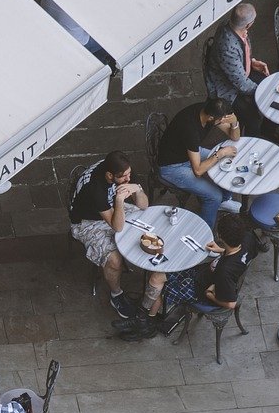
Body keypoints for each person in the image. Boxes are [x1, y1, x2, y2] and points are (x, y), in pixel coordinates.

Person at [68, 151, 149, 320]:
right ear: (110, 175)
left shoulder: (123, 170)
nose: (128, 179)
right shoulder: (95, 188)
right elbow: (117, 226)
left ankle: (150, 272)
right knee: (114, 260)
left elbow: (143, 206)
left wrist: (137, 188)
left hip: (109, 206)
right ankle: (116, 295)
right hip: (87, 222)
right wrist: (119, 200)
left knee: (147, 219)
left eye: (129, 175)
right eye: (123, 177)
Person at [145, 213, 254, 328]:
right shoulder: (248, 239)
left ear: (220, 236)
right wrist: (221, 250)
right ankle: (149, 313)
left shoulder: (225, 271)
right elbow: (239, 256)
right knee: (157, 276)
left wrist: (210, 295)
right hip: (204, 273)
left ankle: (148, 321)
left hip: (198, 289)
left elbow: (231, 304)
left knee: (157, 282)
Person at [156, 97, 242, 230]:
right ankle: (204, 232)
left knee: (229, 161)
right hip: (172, 167)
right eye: (222, 120)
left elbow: (235, 137)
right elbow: (198, 171)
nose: (224, 122)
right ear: (212, 118)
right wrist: (219, 154)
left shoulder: (209, 110)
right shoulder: (190, 129)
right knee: (214, 196)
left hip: (189, 151)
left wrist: (234, 122)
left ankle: (223, 201)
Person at [204, 4, 268, 138]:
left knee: (271, 87)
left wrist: (251, 62)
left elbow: (240, 57)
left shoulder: (229, 25)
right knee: (253, 119)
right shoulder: (228, 47)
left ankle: (269, 132)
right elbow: (242, 85)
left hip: (240, 74)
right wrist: (263, 91)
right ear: (248, 25)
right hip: (227, 90)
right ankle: (253, 143)